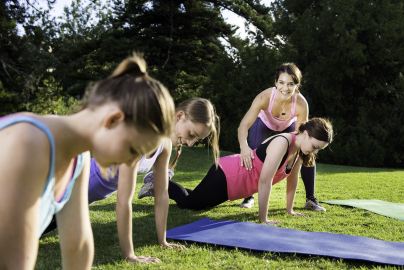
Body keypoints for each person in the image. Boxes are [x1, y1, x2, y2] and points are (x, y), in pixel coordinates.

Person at [0, 53, 175, 269]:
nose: (132, 163)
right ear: (113, 119)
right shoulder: (28, 143)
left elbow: (78, 245)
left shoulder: (78, 158)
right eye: (132, 150)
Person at [43, 98, 220, 264]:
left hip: (74, 201)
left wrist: (163, 241)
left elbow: (162, 195)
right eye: (191, 134)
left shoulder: (164, 146)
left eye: (196, 140)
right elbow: (123, 202)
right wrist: (130, 255)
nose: (190, 143)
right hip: (58, 189)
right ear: (179, 116)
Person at [153, 118, 333, 224]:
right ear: (307, 134)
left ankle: (161, 183)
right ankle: (158, 181)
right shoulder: (283, 143)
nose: (315, 151)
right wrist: (264, 219)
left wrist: (289, 210)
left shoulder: (299, 152)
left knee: (200, 200)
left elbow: (292, 182)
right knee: (190, 204)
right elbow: (265, 181)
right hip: (226, 175)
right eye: (315, 146)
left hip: (233, 184)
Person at [238, 63, 325, 211]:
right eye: (281, 82)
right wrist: (244, 147)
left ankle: (310, 199)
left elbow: (301, 137)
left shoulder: (301, 103)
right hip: (264, 124)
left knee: (305, 154)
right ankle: (249, 195)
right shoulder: (264, 97)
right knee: (253, 154)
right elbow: (243, 126)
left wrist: (294, 156)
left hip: (289, 127)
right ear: (275, 82)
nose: (285, 88)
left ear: (297, 85)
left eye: (290, 84)